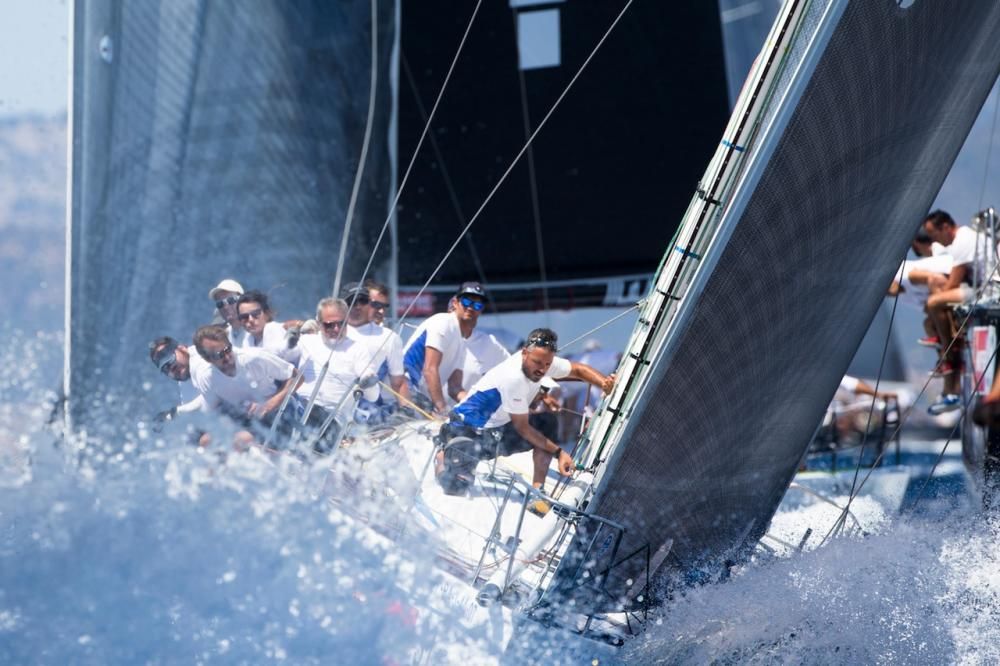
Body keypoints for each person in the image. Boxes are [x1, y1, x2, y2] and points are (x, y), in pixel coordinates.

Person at [438, 328, 615, 498]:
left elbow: (578, 370)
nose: (542, 370)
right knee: (454, 488)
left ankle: (538, 491)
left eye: (547, 364)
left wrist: (605, 383)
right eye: (538, 363)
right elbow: (523, 429)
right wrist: (559, 453)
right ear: (524, 353)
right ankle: (443, 454)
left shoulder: (542, 361)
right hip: (463, 429)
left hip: (495, 430)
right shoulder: (513, 377)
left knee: (547, 423)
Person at [923, 210, 985, 414]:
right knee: (930, 316)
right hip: (976, 289)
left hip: (981, 290)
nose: (934, 241)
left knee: (933, 303)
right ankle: (946, 337)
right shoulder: (962, 239)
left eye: (934, 235)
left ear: (946, 228)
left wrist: (934, 298)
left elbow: (953, 284)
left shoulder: (963, 241)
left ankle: (948, 346)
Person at [190, 325, 298, 437]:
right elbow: (215, 412)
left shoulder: (253, 358)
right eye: (220, 355)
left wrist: (269, 404)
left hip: (281, 410)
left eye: (227, 349)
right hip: (248, 422)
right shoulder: (207, 379)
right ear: (207, 359)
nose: (227, 357)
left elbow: (297, 376)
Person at [295, 298, 380, 438]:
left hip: (331, 422)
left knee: (312, 413)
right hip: (298, 411)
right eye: (329, 325)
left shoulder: (358, 349)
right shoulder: (305, 341)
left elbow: (373, 396)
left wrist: (368, 382)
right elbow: (278, 356)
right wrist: (293, 332)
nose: (336, 329)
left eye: (341, 324)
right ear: (318, 324)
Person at [402, 281, 484, 415]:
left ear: (481, 310)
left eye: (477, 305)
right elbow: (430, 370)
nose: (471, 308)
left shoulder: (463, 344)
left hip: (421, 398)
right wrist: (442, 408)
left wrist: (475, 405)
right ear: (456, 303)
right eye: (466, 302)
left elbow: (455, 388)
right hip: (404, 389)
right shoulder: (444, 322)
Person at [339, 282, 409, 421]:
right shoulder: (332, 329)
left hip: (367, 412)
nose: (358, 305)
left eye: (363, 301)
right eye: (353, 301)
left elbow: (399, 383)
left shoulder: (390, 337)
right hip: (333, 407)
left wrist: (408, 411)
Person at [148, 337, 211, 445]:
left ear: (182, 348)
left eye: (167, 355)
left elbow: (214, 394)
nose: (170, 366)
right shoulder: (185, 381)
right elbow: (197, 418)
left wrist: (176, 412)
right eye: (164, 368)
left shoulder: (203, 359)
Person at [236, 290, 301, 365]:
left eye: (255, 314)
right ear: (240, 321)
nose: (250, 319)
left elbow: (292, 353)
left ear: (266, 314)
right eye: (244, 317)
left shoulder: (271, 328)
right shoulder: (247, 339)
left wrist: (289, 344)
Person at [209, 279, 248, 347]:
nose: (225, 307)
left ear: (242, 300)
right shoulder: (223, 338)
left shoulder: (256, 330)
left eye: (230, 300)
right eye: (220, 304)